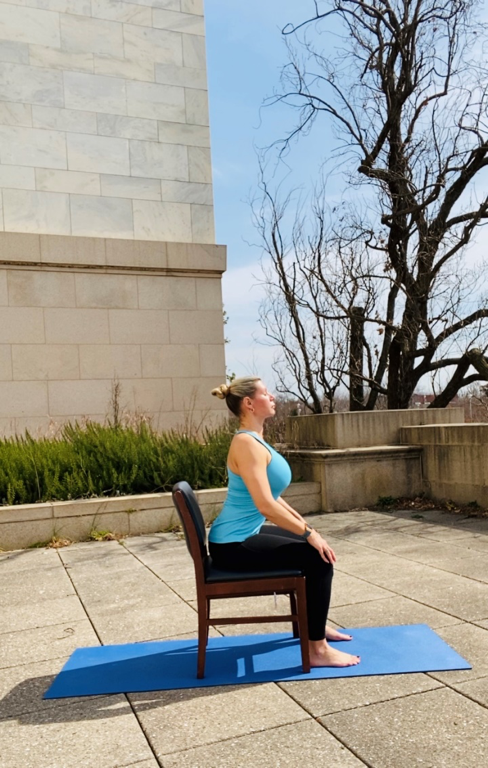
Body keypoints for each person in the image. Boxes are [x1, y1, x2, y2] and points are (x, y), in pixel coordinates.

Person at [209, 376, 360, 668]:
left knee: (312, 548)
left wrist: (305, 528)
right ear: (249, 403)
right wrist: (309, 535)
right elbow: (265, 505)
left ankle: (313, 626)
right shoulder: (245, 443)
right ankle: (317, 649)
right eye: (266, 394)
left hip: (241, 536)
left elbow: (273, 496)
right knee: (320, 560)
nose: (273, 397)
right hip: (232, 545)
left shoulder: (254, 440)